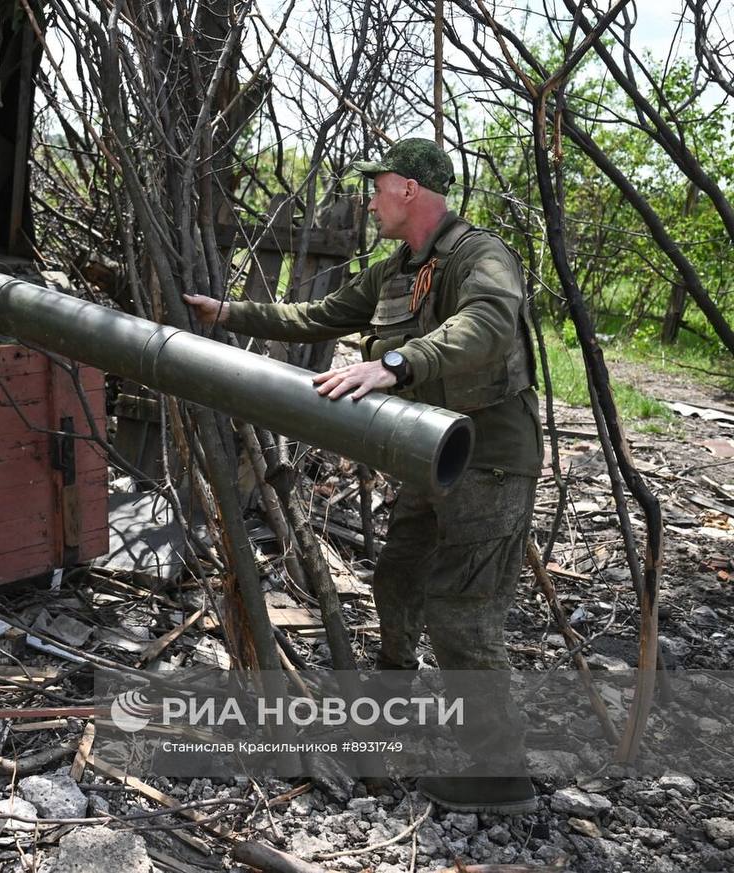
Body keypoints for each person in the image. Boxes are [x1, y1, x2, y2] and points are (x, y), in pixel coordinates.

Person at [184, 138, 542, 814]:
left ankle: (499, 774)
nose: (369, 198)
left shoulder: (481, 257)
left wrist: (398, 364)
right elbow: (317, 317)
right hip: (431, 459)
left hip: (489, 462)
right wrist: (228, 314)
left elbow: (489, 327)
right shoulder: (395, 271)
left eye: (377, 186)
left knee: (461, 611)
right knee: (399, 577)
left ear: (408, 188)